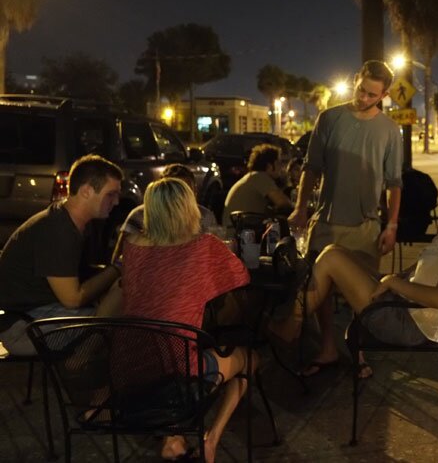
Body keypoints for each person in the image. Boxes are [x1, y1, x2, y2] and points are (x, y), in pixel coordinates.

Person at [272, 171, 438, 358]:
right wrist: (394, 279)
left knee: (331, 259)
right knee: (335, 251)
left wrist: (393, 283)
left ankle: (293, 324)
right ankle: (302, 326)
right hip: (404, 306)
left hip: (408, 324)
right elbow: (427, 273)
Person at [120, 178, 251, 462]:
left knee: (169, 344)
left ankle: (173, 442)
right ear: (189, 208)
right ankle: (211, 441)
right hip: (177, 378)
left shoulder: (132, 246)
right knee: (246, 360)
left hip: (128, 371)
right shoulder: (203, 246)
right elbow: (241, 276)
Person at [287, 60, 403, 376]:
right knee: (320, 293)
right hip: (326, 220)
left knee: (361, 294)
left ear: (384, 95)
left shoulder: (391, 131)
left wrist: (391, 225)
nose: (364, 98)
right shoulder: (329, 118)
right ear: (355, 80)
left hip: (365, 226)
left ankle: (359, 352)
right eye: (361, 90)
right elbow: (311, 167)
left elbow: (394, 184)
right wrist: (300, 207)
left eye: (372, 95)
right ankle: (327, 348)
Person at [0, 155, 124, 355]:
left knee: (121, 303)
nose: (117, 201)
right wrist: (117, 268)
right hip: (24, 328)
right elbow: (72, 299)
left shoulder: (74, 224)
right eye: (111, 194)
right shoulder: (58, 229)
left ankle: (83, 374)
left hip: (41, 315)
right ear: (86, 191)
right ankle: (78, 372)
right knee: (122, 315)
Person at [111, 163, 218, 262]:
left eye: (184, 193)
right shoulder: (139, 215)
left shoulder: (205, 216)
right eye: (171, 193)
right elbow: (120, 259)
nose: (179, 200)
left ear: (194, 192)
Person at [222, 144, 293, 230]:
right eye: (278, 163)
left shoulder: (252, 177)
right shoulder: (260, 177)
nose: (281, 167)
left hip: (236, 230)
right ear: (270, 166)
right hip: (240, 234)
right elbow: (284, 204)